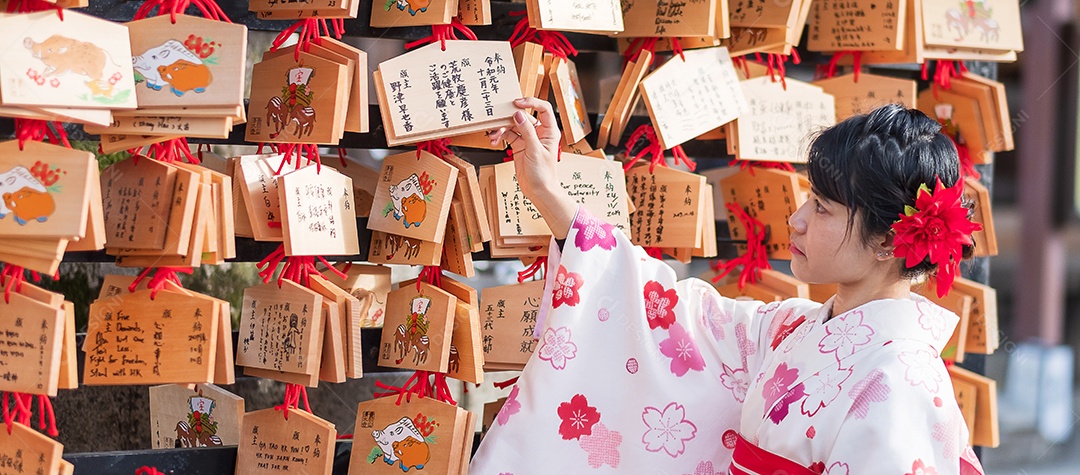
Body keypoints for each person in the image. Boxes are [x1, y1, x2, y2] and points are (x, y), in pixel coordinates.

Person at [469, 98, 986, 475]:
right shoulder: (791, 331)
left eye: (823, 209)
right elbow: (664, 309)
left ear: (887, 242)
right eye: (809, 199)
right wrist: (545, 188)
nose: (797, 220)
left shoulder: (902, 379)